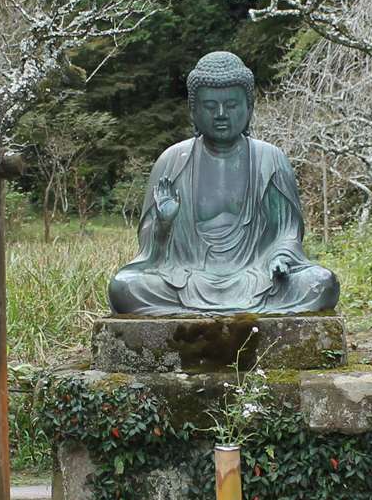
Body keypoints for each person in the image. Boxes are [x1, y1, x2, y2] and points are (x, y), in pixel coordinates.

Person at [109, 51, 339, 316]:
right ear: (193, 111)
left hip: (256, 277)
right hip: (187, 277)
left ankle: (194, 316)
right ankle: (226, 313)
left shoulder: (270, 159)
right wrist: (164, 224)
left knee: (322, 284)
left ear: (249, 108)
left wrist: (280, 259)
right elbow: (151, 252)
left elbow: (285, 233)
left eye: (231, 105)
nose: (220, 114)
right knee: (124, 288)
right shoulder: (172, 161)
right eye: (209, 106)